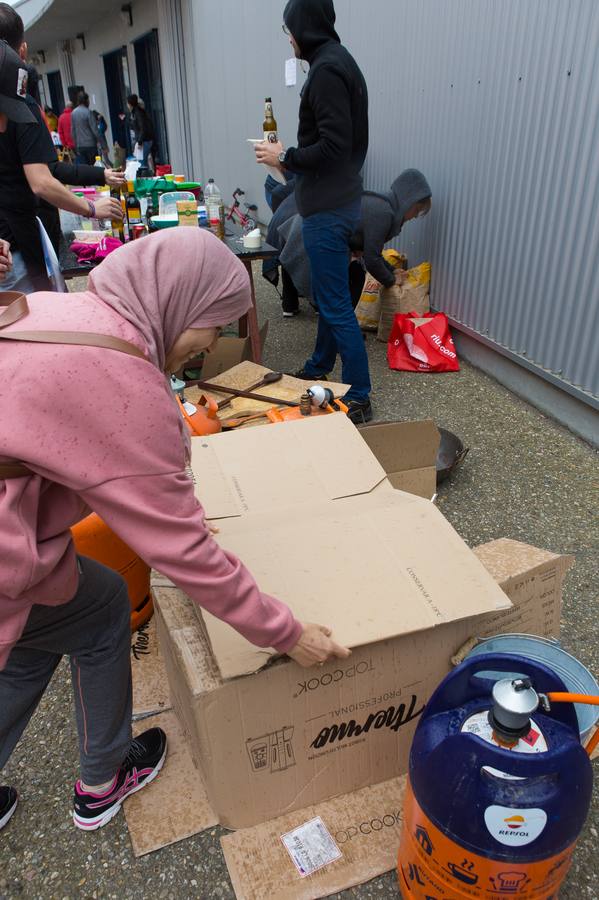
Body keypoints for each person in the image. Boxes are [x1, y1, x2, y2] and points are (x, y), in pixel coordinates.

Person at [0, 228, 350, 833]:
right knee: (102, 602)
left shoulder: (69, 305)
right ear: (178, 302)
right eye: (213, 325)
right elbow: (186, 554)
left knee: (36, 631)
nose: (211, 344)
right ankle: (103, 780)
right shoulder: (122, 381)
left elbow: (58, 440)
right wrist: (285, 633)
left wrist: (165, 512)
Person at [256, 0, 371, 424]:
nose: (288, 37)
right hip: (340, 199)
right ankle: (320, 363)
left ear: (304, 27)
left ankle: (360, 395)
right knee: (330, 294)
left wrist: (282, 156)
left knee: (336, 304)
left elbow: (334, 146)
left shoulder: (325, 72)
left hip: (328, 206)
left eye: (289, 29)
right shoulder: (340, 61)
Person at [268, 169, 432, 308]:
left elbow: (372, 253)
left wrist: (392, 270)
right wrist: (391, 280)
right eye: (417, 210)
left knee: (337, 294)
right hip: (313, 235)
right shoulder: (384, 213)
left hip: (311, 230)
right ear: (407, 202)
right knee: (345, 287)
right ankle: (345, 333)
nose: (415, 216)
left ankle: (338, 335)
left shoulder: (384, 205)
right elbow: (372, 259)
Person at [125, 94, 154, 171]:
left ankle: (145, 179)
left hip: (144, 141)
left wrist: (140, 142)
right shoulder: (135, 112)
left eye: (127, 103)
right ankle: (147, 178)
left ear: (130, 104)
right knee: (142, 162)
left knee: (141, 163)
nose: (127, 105)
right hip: (144, 140)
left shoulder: (138, 113)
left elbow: (142, 128)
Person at [71, 91, 101, 164]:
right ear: (86, 100)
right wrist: (102, 144)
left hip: (80, 145)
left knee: (85, 168)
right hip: (91, 145)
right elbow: (95, 130)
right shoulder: (88, 112)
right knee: (94, 166)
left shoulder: (73, 113)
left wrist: (75, 145)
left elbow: (73, 131)